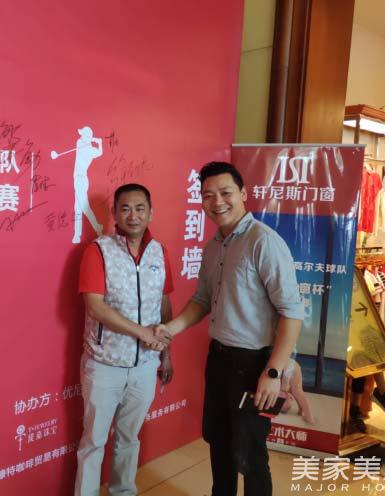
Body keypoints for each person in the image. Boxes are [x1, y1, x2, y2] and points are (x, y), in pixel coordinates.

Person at [157, 162, 304, 496]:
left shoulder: (263, 242)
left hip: (254, 365)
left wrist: (273, 372)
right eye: (208, 195)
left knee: (251, 454)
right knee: (219, 443)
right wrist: (170, 328)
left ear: (243, 193)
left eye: (225, 193)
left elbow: (292, 313)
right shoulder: (213, 247)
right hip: (219, 360)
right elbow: (202, 300)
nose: (217, 202)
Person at [74, 183, 174, 496]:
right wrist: (141, 332)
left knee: (129, 439)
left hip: (145, 365)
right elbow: (95, 306)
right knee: (93, 442)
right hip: (105, 364)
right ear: (115, 214)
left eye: (140, 208)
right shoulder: (98, 250)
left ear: (151, 213)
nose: (133, 215)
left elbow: (163, 302)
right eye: (126, 209)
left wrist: (166, 353)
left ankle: (123, 492)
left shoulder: (159, 251)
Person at [72, 126, 104, 243]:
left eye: (83, 135)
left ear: (87, 137)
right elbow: (99, 151)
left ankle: (97, 228)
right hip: (77, 179)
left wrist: (96, 141)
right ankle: (77, 235)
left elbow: (100, 152)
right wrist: (98, 142)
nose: (80, 136)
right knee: (77, 208)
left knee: (84, 208)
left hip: (81, 180)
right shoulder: (80, 143)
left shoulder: (89, 150)